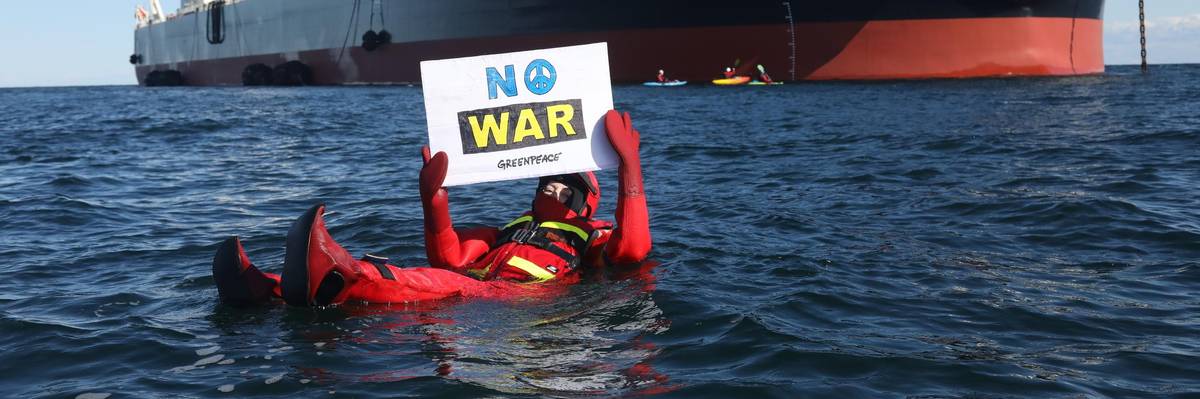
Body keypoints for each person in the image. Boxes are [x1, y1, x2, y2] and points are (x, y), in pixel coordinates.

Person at [211, 110, 651, 307]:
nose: (554, 189)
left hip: (520, 302)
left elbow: (632, 254)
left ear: (584, 203)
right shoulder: (507, 229)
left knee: (427, 283)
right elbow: (450, 257)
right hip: (477, 289)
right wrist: (434, 199)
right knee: (432, 280)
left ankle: (335, 273)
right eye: (548, 182)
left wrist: (629, 168)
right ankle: (265, 288)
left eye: (567, 188)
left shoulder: (594, 236)